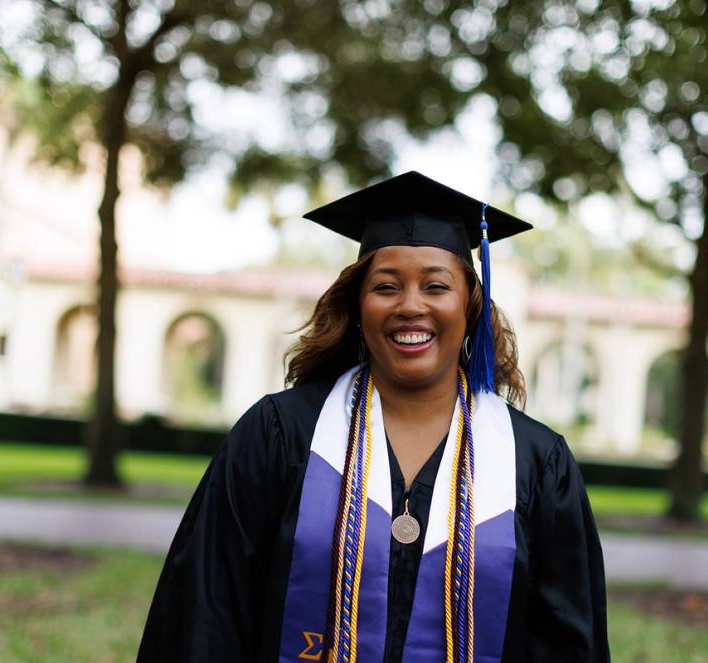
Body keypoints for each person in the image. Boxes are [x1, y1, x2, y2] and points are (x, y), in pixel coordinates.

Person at [137, 171, 609, 662]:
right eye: (386, 286)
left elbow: (568, 645)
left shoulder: (534, 463)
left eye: (435, 286)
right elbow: (206, 615)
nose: (410, 306)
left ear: (468, 304)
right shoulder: (281, 435)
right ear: (357, 304)